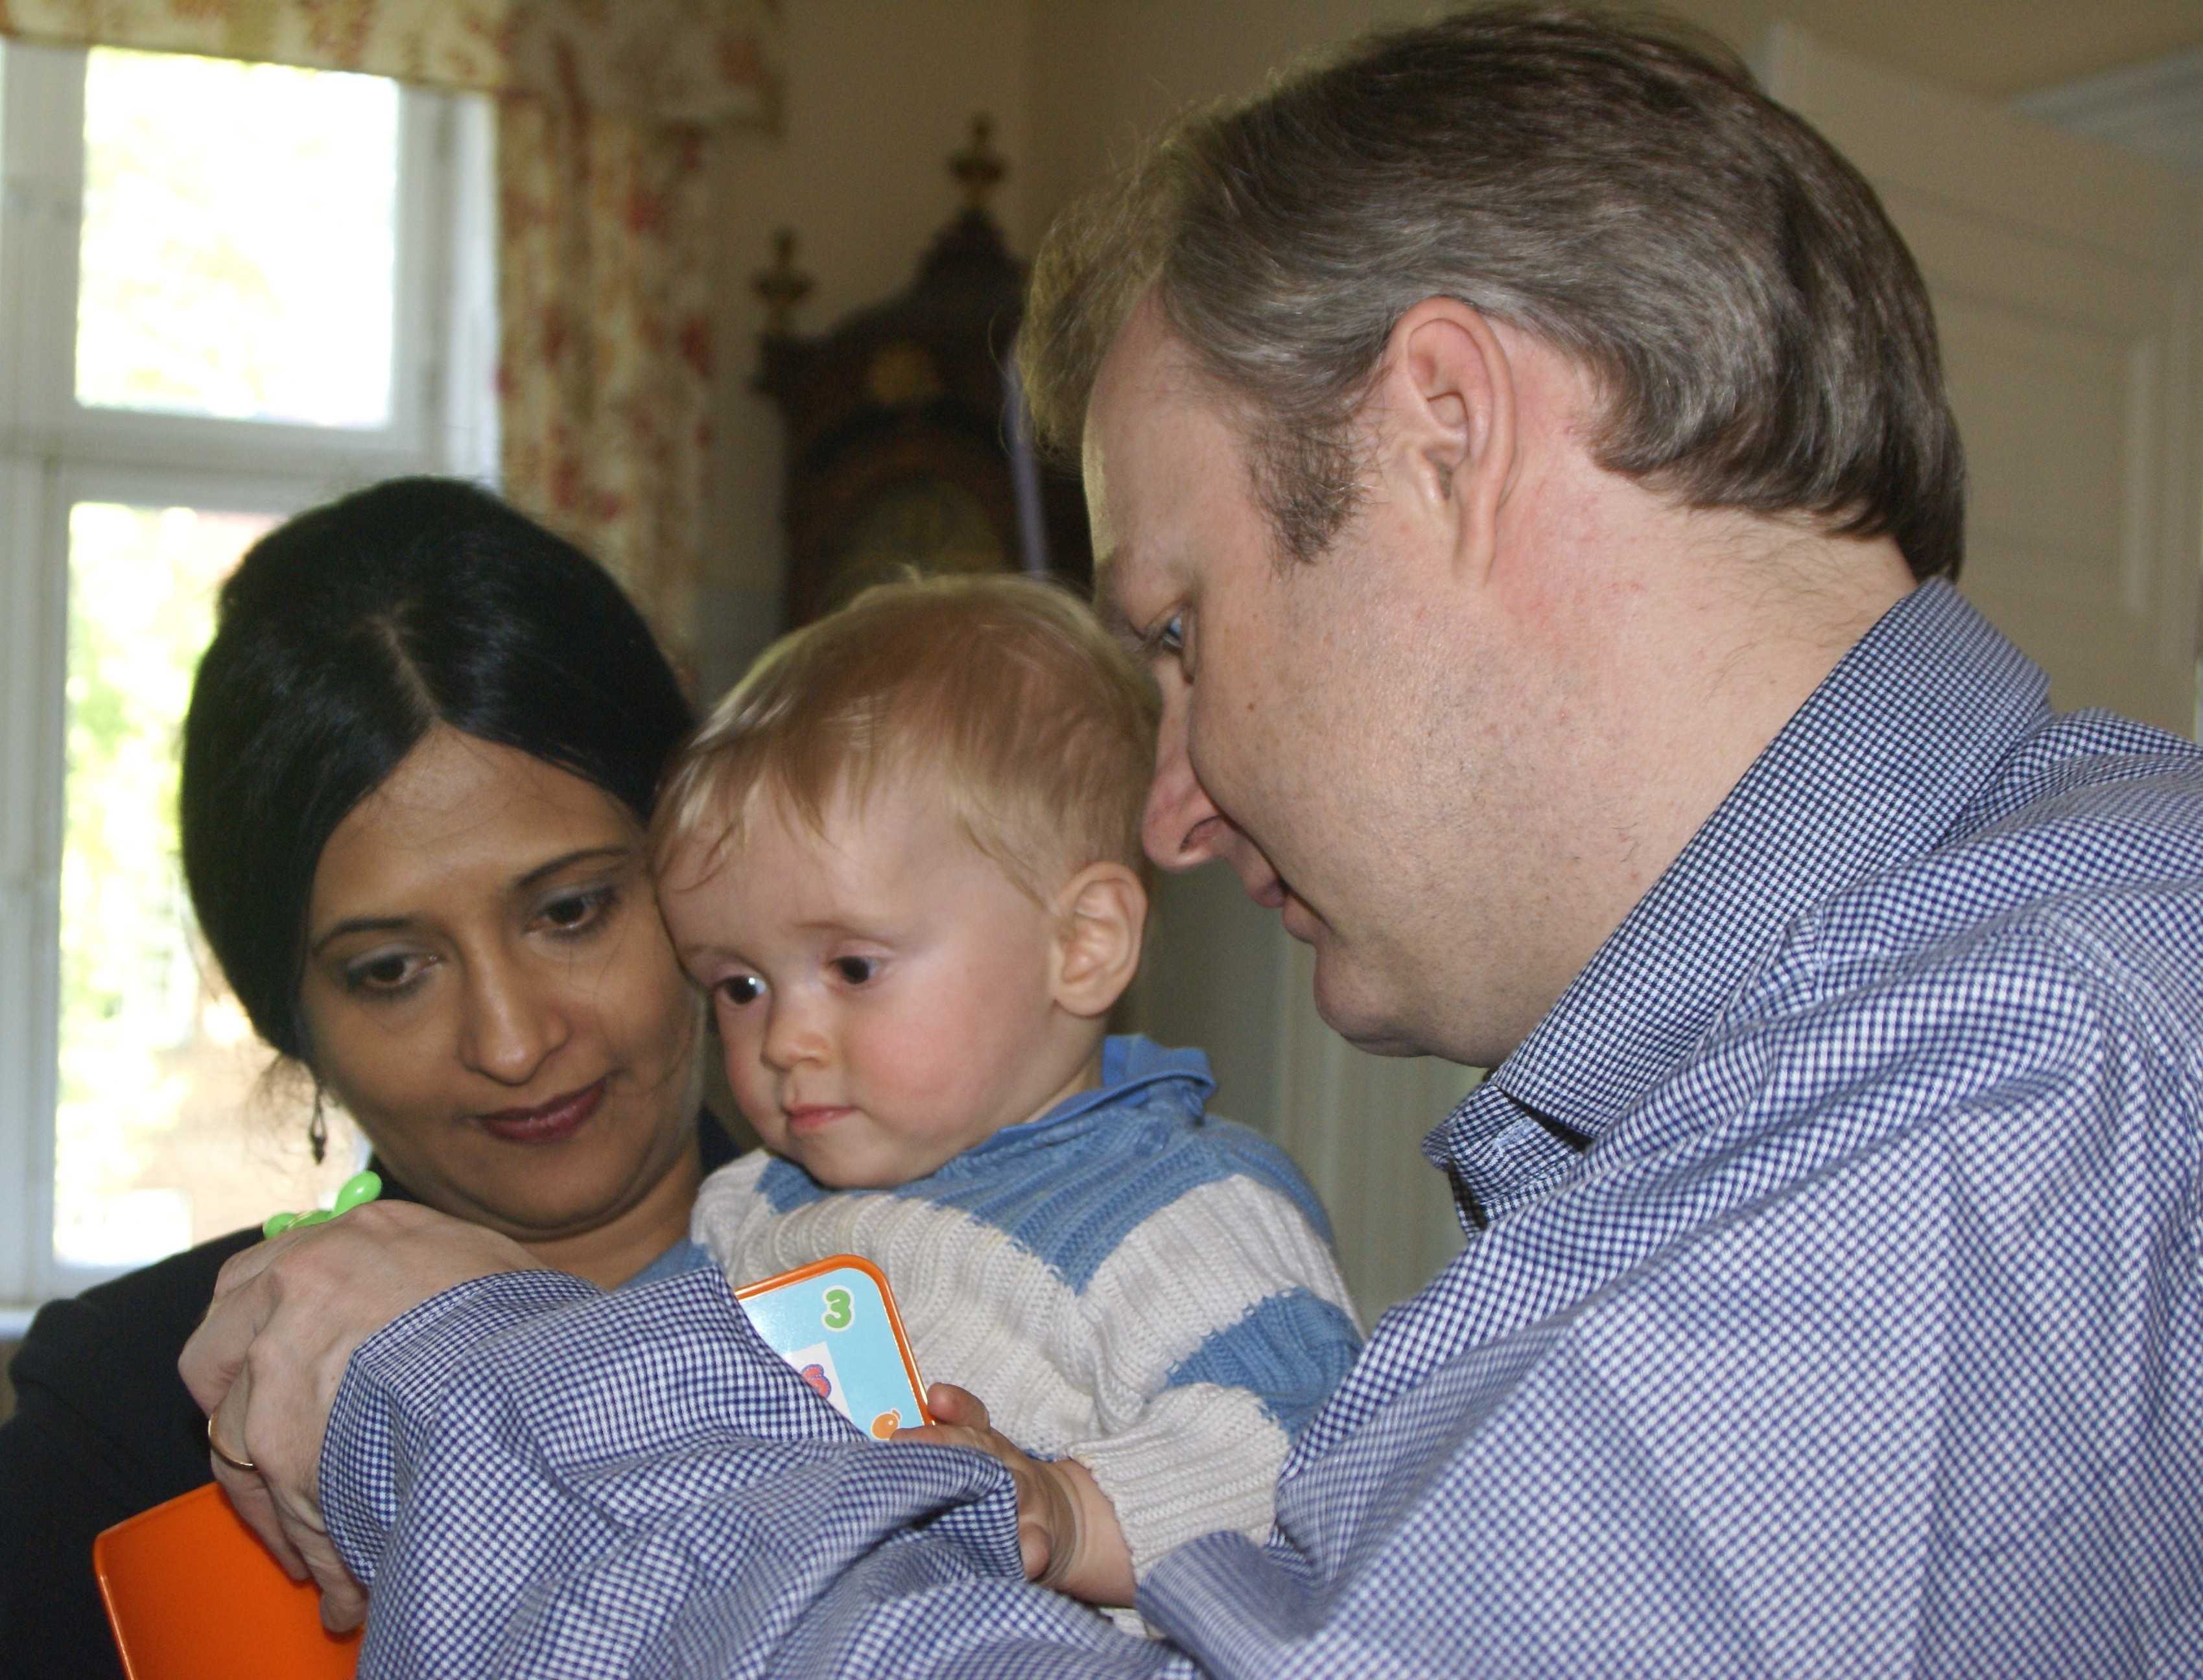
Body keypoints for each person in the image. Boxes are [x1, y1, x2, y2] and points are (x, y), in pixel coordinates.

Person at [180, 8, 2203, 1674]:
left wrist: (476, 1396)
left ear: (1444, 434)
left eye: (1176, 629)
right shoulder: (1973, 1006)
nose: (1166, 807)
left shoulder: (1976, 1087)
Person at [0, 478, 740, 1680]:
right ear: (289, 1015)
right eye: (391, 971)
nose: (511, 1041)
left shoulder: (976, 1283)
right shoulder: (133, 1417)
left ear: (703, 874)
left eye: (570, 911)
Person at [656, 574, 1361, 1611]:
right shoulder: (746, 1208)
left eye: (852, 967)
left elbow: (1302, 1461)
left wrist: (1067, 1513)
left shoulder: (1184, 1215)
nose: (785, 1040)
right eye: (739, 986)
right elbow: (632, 1402)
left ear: (1081, 946)